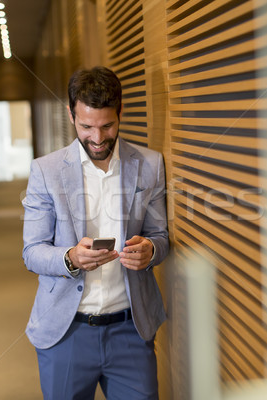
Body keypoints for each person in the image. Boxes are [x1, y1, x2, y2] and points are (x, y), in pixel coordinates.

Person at [22, 66, 169, 400]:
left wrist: (152, 250)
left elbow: (160, 235)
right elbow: (32, 251)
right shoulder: (46, 171)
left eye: (108, 126)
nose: (98, 138)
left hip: (131, 331)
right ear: (71, 115)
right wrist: (71, 257)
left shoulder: (149, 164)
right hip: (66, 332)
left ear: (120, 112)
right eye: (86, 127)